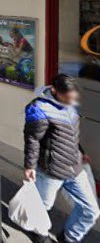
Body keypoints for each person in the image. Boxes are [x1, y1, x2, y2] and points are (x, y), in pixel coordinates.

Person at [24, 74, 99, 242]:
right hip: (51, 170)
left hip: (74, 168)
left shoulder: (70, 106)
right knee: (41, 208)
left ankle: (68, 238)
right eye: (67, 97)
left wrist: (80, 151)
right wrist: (29, 166)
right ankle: (38, 235)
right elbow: (32, 139)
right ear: (54, 91)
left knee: (91, 211)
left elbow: (70, 134)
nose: (70, 101)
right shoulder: (39, 108)